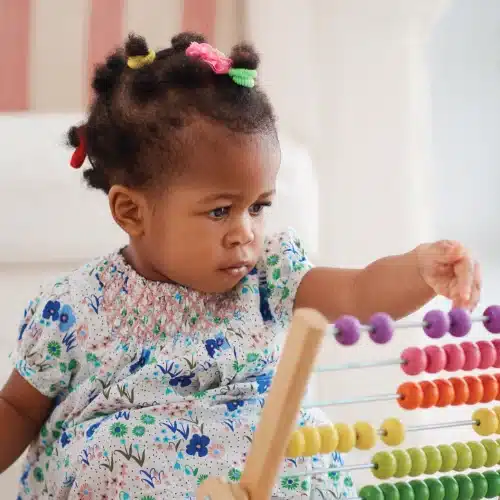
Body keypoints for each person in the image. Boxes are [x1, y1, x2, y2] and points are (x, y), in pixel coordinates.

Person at [0, 32, 480, 499]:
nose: (244, 232)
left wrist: (419, 270)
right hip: (131, 464)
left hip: (258, 464)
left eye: (257, 207)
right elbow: (17, 407)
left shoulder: (268, 276)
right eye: (218, 211)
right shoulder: (72, 308)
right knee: (112, 460)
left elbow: (359, 293)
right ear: (132, 212)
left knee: (305, 443)